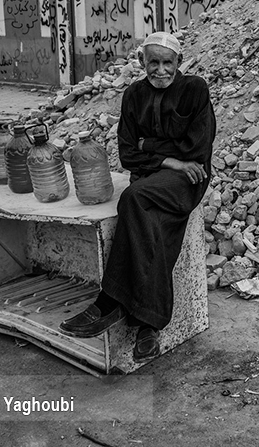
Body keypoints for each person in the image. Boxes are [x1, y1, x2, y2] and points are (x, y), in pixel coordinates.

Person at [60, 31, 216, 362]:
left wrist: (150, 146)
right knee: (153, 223)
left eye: (167, 63)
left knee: (132, 198)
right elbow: (128, 154)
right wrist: (170, 156)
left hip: (187, 180)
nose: (160, 70)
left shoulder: (194, 90)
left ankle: (108, 301)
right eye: (153, 62)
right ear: (142, 62)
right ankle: (148, 325)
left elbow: (196, 150)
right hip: (152, 175)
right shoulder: (133, 94)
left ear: (179, 62)